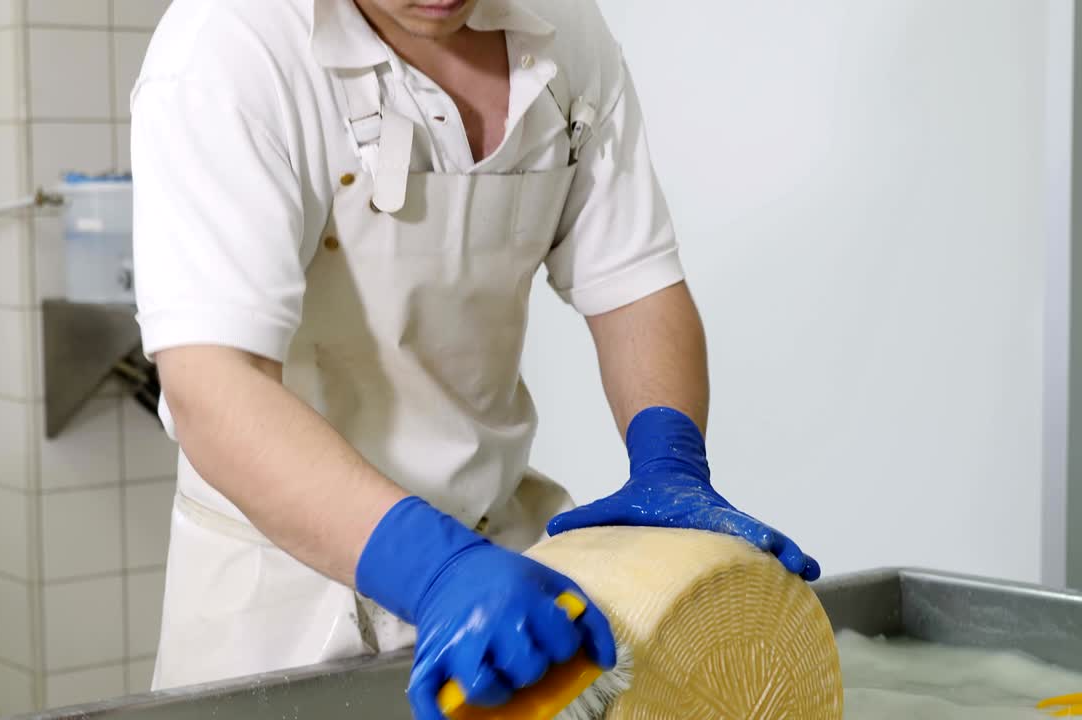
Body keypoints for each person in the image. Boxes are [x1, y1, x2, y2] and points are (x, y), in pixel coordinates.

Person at [130, 0, 820, 717]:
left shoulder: (563, 33)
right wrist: (432, 569)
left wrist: (669, 461)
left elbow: (635, 284)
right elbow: (212, 389)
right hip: (284, 599)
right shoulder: (225, 53)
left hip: (503, 567)